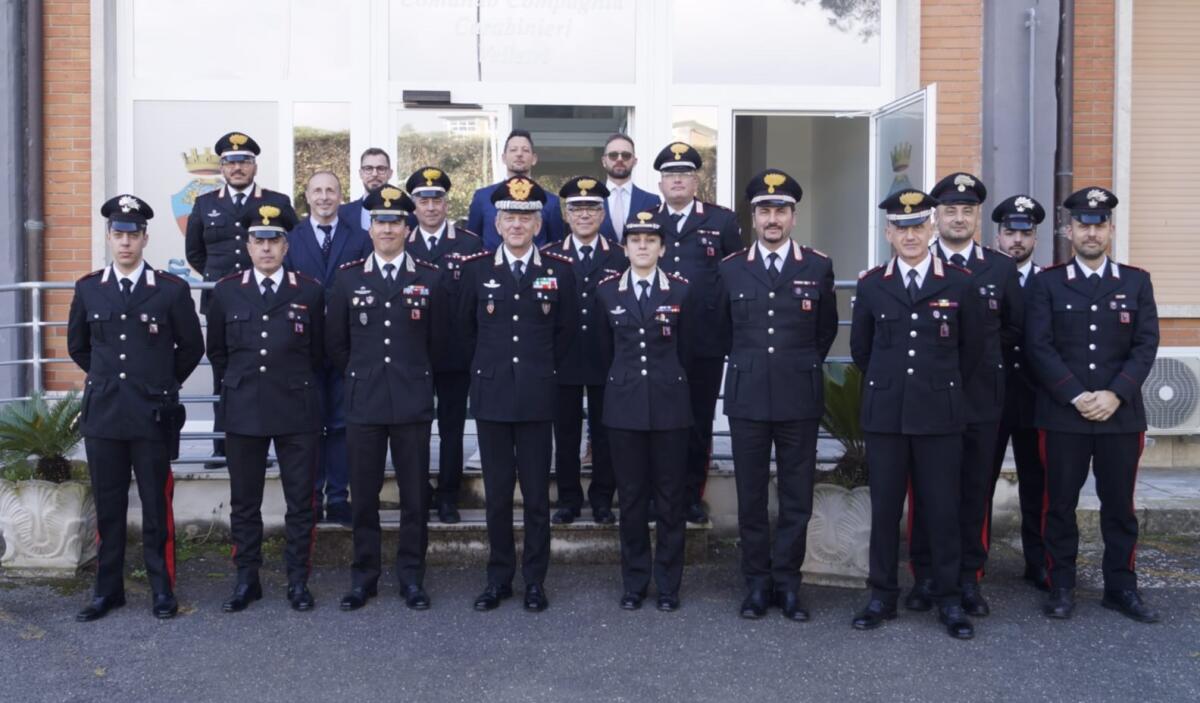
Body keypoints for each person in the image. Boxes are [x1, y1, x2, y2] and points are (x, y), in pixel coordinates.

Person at [849, 188, 984, 640]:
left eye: (918, 226)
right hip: (886, 415)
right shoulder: (871, 284)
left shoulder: (961, 282)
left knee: (942, 509)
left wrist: (935, 387)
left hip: (939, 413)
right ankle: (881, 595)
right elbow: (861, 350)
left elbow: (972, 351)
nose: (910, 235)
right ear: (889, 233)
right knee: (885, 510)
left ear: (931, 229)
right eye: (901, 228)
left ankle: (948, 599)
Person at [1026, 186, 1161, 624]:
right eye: (1083, 224)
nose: (1091, 232)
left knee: (1119, 507)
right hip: (1064, 414)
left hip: (1120, 416)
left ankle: (1121, 587)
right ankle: (1061, 585)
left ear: (1110, 230)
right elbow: (1038, 345)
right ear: (1069, 230)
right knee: (1059, 504)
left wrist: (1115, 393)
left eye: (1099, 224)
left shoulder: (1136, 281)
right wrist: (1076, 394)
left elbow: (1145, 345)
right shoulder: (1048, 282)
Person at [68, 194, 204, 621]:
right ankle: (107, 591)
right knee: (108, 509)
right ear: (109, 237)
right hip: (105, 415)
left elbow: (191, 348)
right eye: (118, 234)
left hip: (151, 415)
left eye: (133, 234)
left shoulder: (169, 290)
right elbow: (78, 347)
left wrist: (160, 385)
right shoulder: (89, 289)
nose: (125, 242)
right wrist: (111, 382)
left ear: (145, 238)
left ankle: (162, 589)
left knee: (155, 507)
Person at [718, 170, 838, 620]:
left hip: (798, 396)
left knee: (795, 496)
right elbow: (722, 332)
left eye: (781, 211)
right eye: (764, 210)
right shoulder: (730, 268)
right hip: (747, 396)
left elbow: (825, 330)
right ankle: (755, 583)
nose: (773, 218)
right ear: (753, 218)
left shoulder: (817, 265)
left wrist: (793, 363)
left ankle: (788, 583)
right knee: (750, 495)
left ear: (794, 216)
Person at [458, 176, 578, 612]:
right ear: (497, 220)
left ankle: (534, 581)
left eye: (526, 216)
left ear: (538, 222)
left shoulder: (559, 271)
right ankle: (498, 578)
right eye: (509, 215)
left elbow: (564, 335)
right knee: (496, 496)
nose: (517, 224)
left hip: (535, 396)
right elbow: (465, 331)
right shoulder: (475, 270)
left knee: (535, 498)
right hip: (491, 397)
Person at [905, 173, 1023, 617]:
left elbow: (1013, 327)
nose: (958, 218)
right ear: (935, 217)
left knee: (975, 490)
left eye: (966, 211)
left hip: (980, 399)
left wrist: (977, 361)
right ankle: (925, 574)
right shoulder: (917, 259)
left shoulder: (999, 267)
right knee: (926, 491)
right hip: (928, 399)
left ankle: (969, 577)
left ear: (977, 217)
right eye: (949, 210)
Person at [326, 185, 445, 611]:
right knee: (365, 496)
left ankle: (412, 577)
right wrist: (364, 376)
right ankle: (365, 577)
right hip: (365, 402)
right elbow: (336, 344)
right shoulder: (348, 277)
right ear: (370, 227)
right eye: (380, 221)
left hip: (412, 401)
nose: (388, 228)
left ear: (408, 228)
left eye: (396, 221)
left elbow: (439, 341)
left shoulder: (430, 277)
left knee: (415, 496)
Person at [206, 205, 325, 613]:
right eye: (259, 240)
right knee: (245, 501)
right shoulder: (225, 290)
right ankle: (246, 579)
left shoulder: (308, 290)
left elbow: (321, 352)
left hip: (296, 406)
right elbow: (217, 352)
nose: (267, 247)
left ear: (286, 245)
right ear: (248, 245)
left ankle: (298, 580)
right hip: (244, 408)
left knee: (300, 501)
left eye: (274, 240)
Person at [596, 211, 693, 611]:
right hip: (624, 408)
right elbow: (604, 351)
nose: (642, 246)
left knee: (671, 500)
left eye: (650, 240)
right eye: (634, 239)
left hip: (670, 407)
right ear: (624, 247)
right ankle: (635, 582)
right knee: (632, 498)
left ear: (662, 247)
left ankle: (668, 584)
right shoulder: (606, 292)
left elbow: (689, 349)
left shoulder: (683, 291)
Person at [185, 131, 297, 468]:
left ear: (254, 166)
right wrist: (229, 286)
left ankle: (261, 446)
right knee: (224, 373)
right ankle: (222, 447)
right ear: (222, 166)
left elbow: (292, 246)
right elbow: (195, 252)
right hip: (222, 302)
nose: (237, 168)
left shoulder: (276, 202)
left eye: (244, 161)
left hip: (265, 302)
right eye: (231, 162)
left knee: (263, 372)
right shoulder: (205, 204)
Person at [651, 141, 742, 524]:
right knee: (658, 420)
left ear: (696, 180)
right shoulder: (646, 222)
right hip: (657, 341)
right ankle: (660, 495)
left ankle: (691, 496)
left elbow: (736, 278)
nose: (677, 181)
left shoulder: (721, 221)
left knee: (698, 420)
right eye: (670, 175)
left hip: (705, 339)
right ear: (660, 183)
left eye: (684, 174)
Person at [284, 171, 372, 525]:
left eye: (330, 191)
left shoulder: (360, 238)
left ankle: (337, 496)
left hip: (345, 344)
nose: (324, 197)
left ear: (340, 196)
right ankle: (311, 497)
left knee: (340, 425)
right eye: (317, 191)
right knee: (307, 426)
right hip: (301, 346)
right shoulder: (291, 238)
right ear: (306, 196)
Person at [403, 166, 485, 524]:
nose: (431, 207)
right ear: (414, 205)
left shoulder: (469, 244)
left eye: (437, 199)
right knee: (415, 427)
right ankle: (419, 490)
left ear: (446, 202)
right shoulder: (401, 241)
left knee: (452, 427)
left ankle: (449, 494)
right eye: (423, 199)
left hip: (455, 352)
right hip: (412, 353)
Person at [548, 176, 627, 526]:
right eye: (577, 208)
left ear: (602, 213)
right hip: (561, 357)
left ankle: (601, 499)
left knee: (606, 431)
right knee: (565, 432)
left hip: (606, 356)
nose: (584, 214)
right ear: (566, 214)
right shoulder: (549, 255)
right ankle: (568, 498)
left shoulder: (620, 256)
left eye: (592, 208)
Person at [988, 194, 1048, 590]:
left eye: (1024, 234)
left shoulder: (1049, 282)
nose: (1016, 241)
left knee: (1039, 484)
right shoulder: (984, 276)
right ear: (997, 236)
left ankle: (1039, 562)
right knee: (977, 481)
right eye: (1010, 233)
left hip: (1036, 397)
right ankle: (972, 563)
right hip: (989, 396)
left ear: (1035, 239)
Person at [467, 130, 565, 249]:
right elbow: (471, 242)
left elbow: (557, 246)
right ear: (503, 158)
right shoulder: (482, 197)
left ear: (534, 159)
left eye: (525, 150)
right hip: (490, 266)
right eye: (513, 150)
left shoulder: (550, 201)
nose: (519, 154)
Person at [598, 133, 660, 242]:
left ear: (634, 161)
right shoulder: (592, 199)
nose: (620, 159)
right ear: (604, 161)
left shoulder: (652, 201)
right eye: (613, 155)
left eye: (626, 155)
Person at [340, 147, 395, 238]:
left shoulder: (407, 215)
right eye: (368, 168)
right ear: (361, 173)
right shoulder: (341, 214)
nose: (374, 174)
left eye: (381, 168)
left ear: (390, 173)